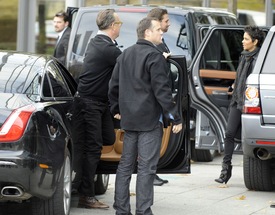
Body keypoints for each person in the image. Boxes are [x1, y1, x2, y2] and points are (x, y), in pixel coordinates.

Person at [108, 17, 182, 215]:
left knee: (125, 166)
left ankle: (121, 210)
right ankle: (143, 210)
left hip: (129, 120)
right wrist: (175, 117)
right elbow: (162, 91)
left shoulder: (125, 55)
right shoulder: (154, 56)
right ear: (147, 33)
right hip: (149, 121)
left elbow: (113, 86)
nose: (162, 33)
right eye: (158, 29)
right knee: (146, 168)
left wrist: (115, 108)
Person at [72, 9, 122, 209]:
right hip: (89, 103)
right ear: (112, 26)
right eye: (119, 23)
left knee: (107, 139)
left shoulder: (99, 42)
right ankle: (86, 195)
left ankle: (83, 183)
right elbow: (131, 63)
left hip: (100, 104)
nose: (120, 26)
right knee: (92, 148)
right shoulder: (107, 48)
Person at [215, 26, 265, 184]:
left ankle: (255, 171)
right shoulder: (244, 56)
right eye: (243, 38)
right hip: (237, 100)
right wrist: (234, 86)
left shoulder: (259, 59)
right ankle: (225, 170)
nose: (243, 42)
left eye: (246, 39)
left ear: (255, 42)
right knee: (229, 133)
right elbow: (240, 77)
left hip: (251, 103)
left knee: (249, 139)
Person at [147, 7, 171, 186]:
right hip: (153, 101)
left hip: (156, 99)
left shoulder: (159, 42)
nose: (168, 24)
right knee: (153, 139)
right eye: (166, 21)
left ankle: (152, 171)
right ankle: (149, 173)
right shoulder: (155, 46)